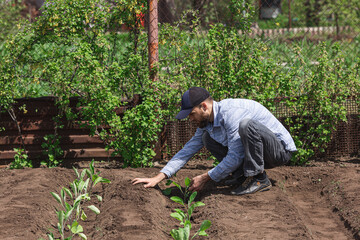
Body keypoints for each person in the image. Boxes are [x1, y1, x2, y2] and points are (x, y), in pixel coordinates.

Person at [132, 87, 297, 195]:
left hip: (278, 151)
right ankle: (242, 176)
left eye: (191, 114)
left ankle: (259, 179)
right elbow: (187, 150)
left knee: (246, 126)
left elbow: (235, 155)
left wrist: (205, 177)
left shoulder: (232, 113)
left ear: (204, 107)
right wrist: (158, 177)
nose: (190, 119)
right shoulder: (207, 123)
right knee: (206, 138)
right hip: (259, 152)